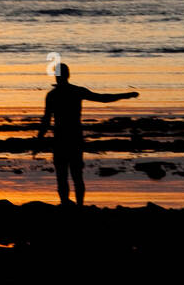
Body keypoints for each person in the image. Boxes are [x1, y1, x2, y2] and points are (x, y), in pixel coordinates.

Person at [33, 61, 138, 206]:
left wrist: (38, 141)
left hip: (61, 139)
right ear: (68, 75)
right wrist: (125, 95)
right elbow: (102, 98)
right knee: (76, 175)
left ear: (55, 76)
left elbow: (46, 121)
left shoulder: (52, 95)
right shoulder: (76, 91)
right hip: (75, 138)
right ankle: (79, 206)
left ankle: (65, 204)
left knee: (62, 176)